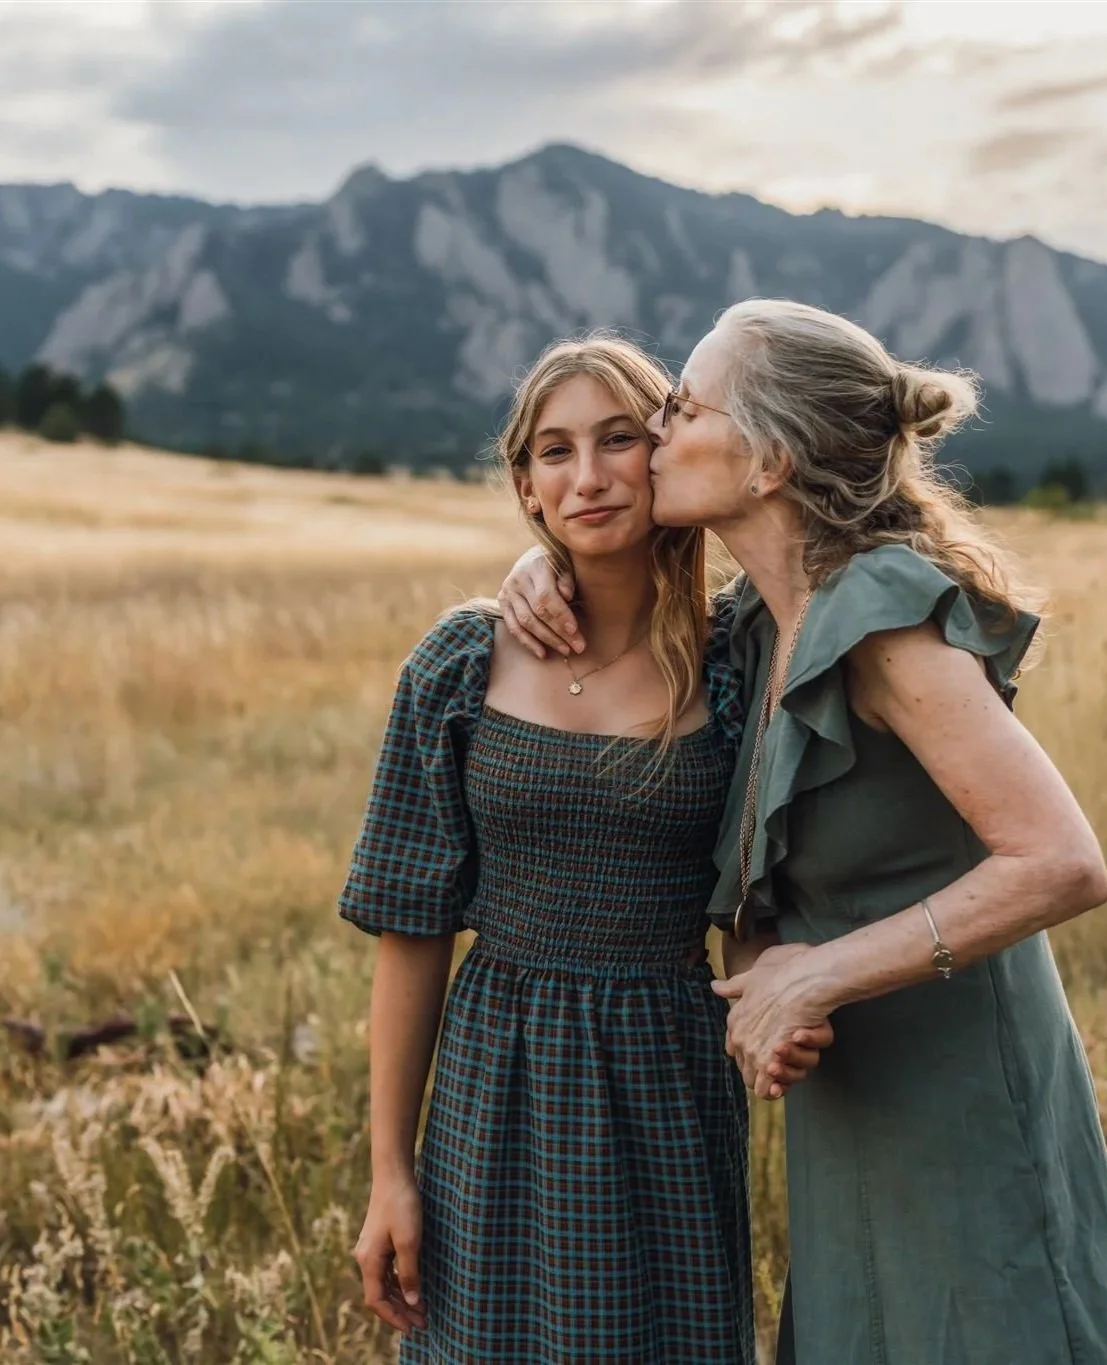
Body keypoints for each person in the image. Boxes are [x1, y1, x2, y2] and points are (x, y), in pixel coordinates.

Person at [499, 300, 1107, 1364]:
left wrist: (813, 978)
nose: (654, 433)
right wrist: (544, 569)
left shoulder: (881, 617)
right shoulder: (757, 628)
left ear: (767, 462)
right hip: (850, 1105)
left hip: (963, 1100)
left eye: (682, 408)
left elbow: (1062, 862)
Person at [339, 335, 827, 1365]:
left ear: (666, 457)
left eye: (618, 440)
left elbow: (751, 900)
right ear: (525, 486)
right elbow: (411, 928)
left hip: (664, 1078)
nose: (590, 475)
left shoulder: (738, 660)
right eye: (555, 453)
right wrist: (391, 1172)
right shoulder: (461, 662)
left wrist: (775, 1009)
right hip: (494, 1076)